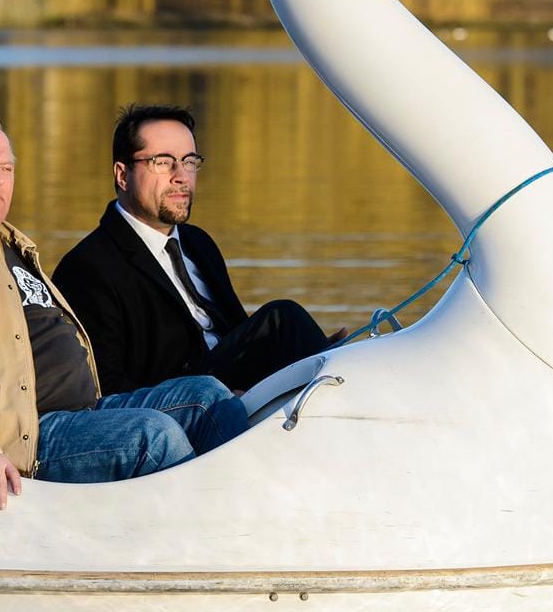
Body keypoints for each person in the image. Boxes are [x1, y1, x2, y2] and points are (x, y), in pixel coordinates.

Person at [0, 114, 246, 511]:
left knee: (208, 396)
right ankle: (213, 532)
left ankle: (255, 508)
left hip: (83, 410)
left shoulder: (4, 244)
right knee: (153, 434)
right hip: (29, 433)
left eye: (6, 167)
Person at [54, 104, 339, 397]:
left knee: (335, 354)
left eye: (189, 161)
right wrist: (218, 402)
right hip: (179, 407)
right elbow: (105, 386)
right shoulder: (87, 267)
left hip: (236, 390)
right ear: (122, 174)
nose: (181, 176)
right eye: (162, 162)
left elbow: (239, 335)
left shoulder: (198, 242)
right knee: (282, 317)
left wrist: (304, 355)